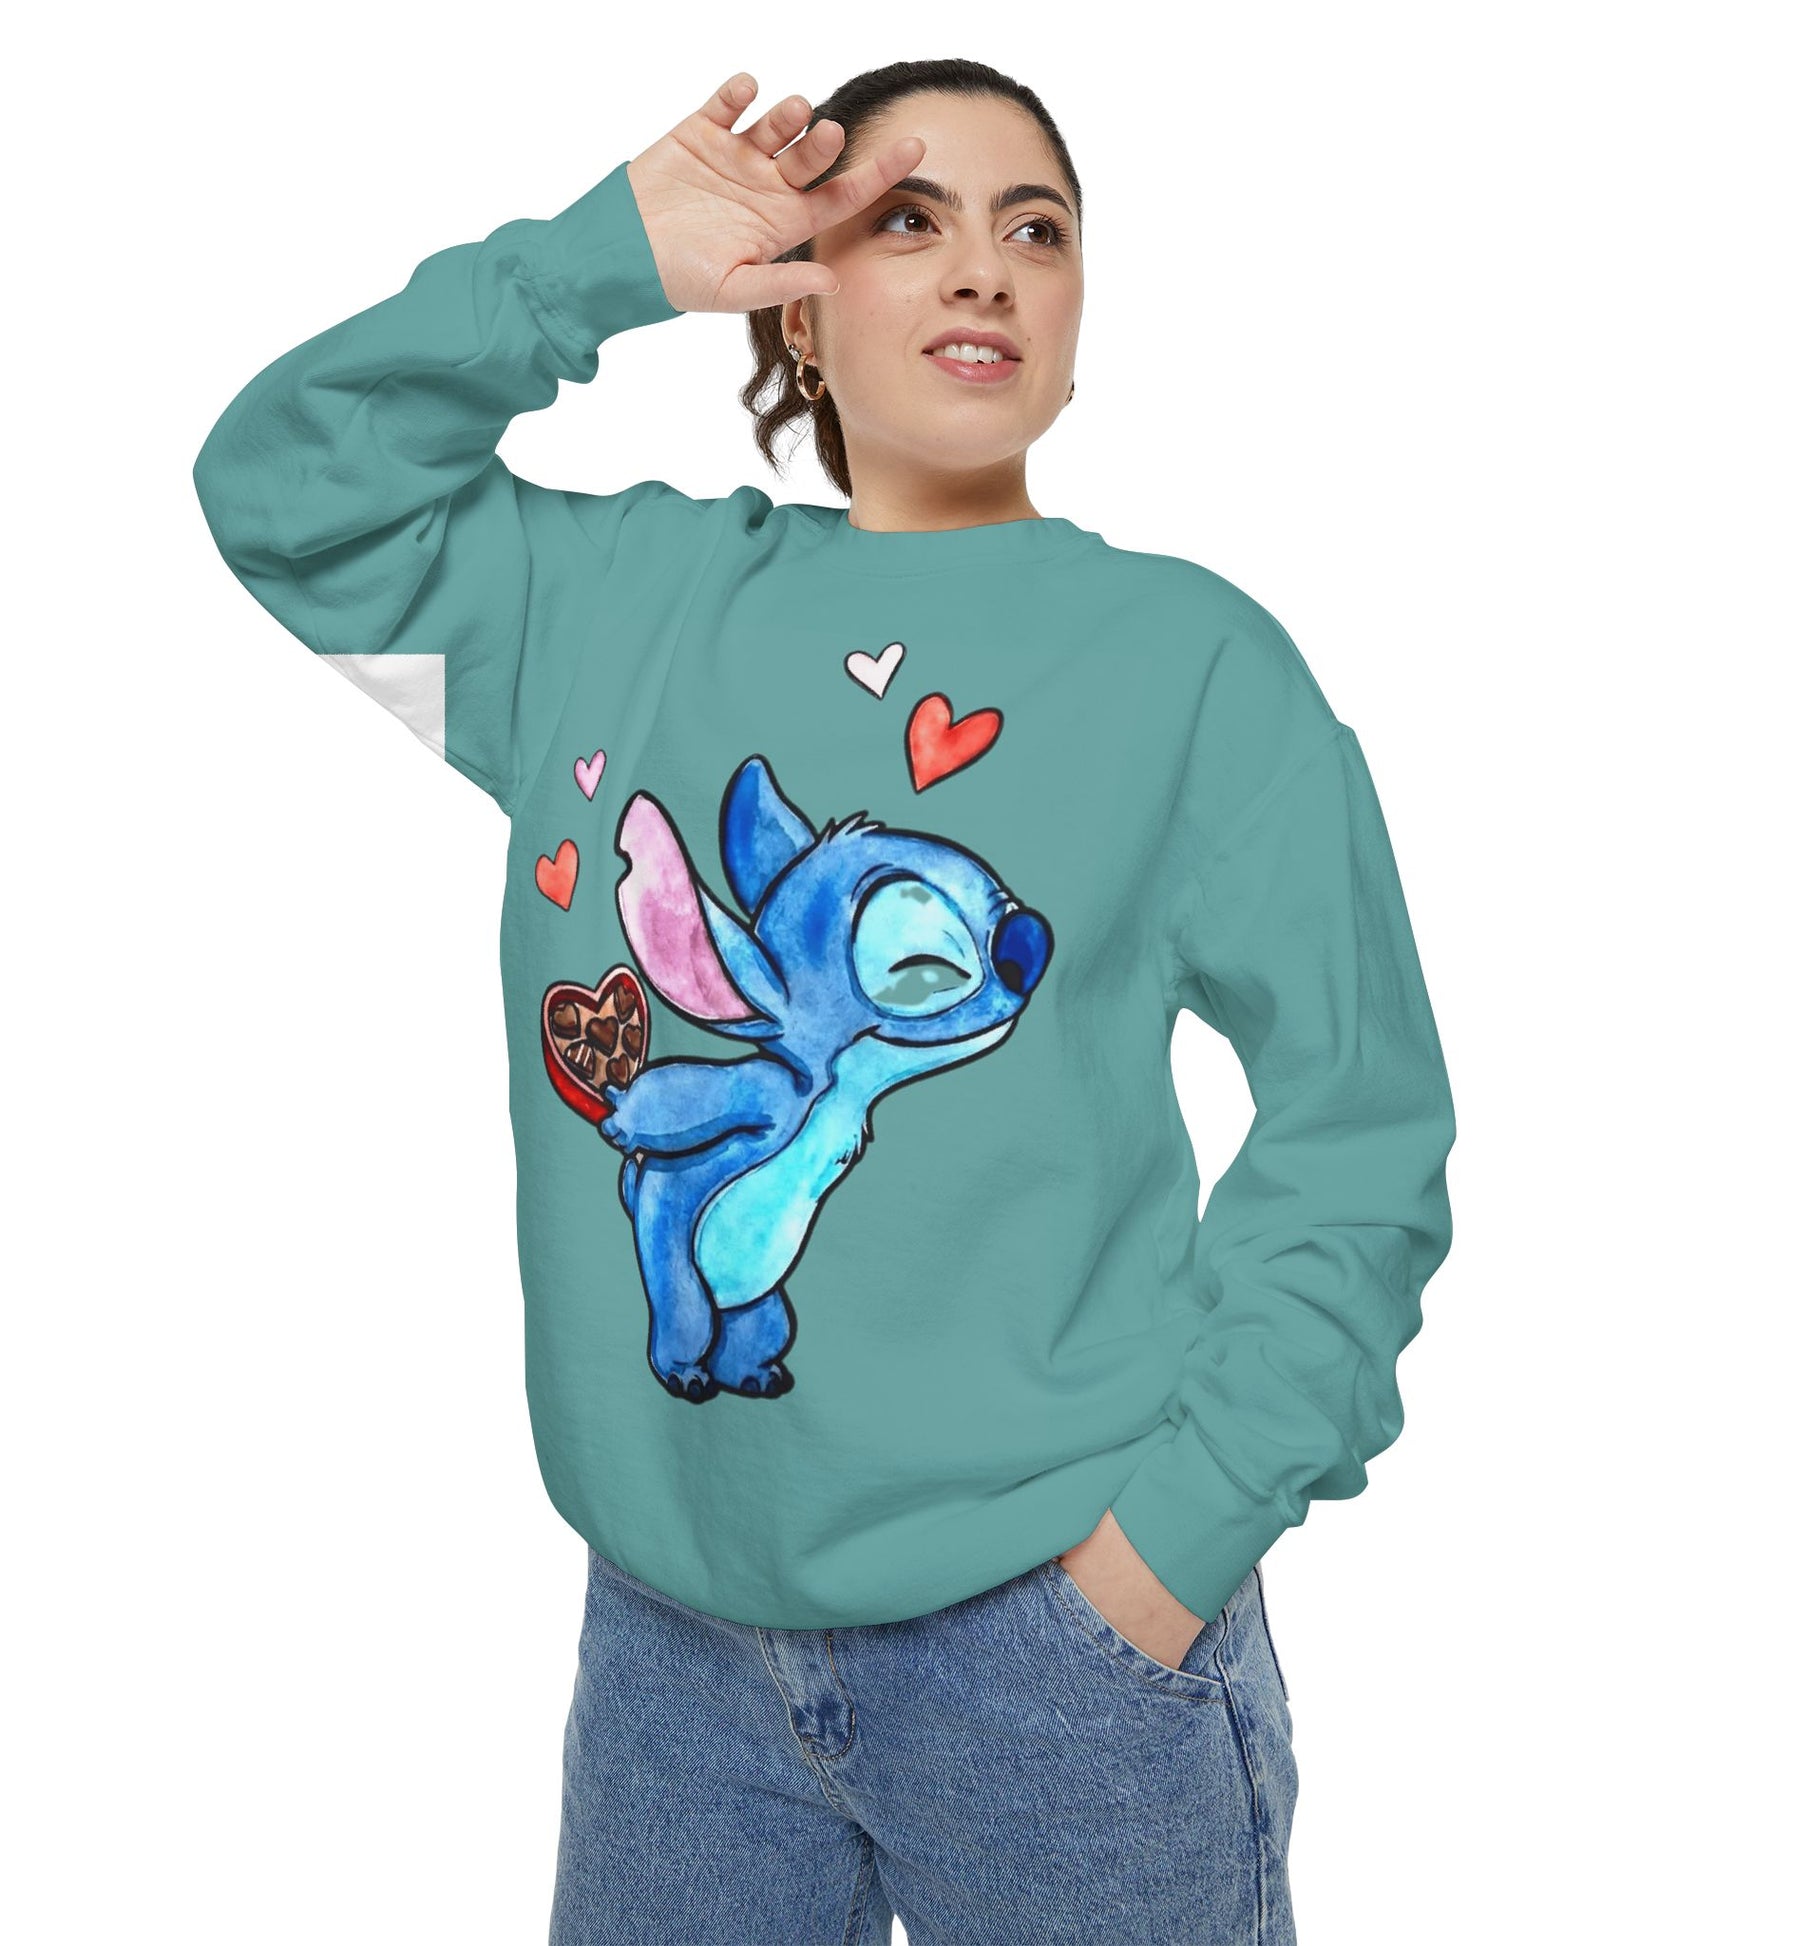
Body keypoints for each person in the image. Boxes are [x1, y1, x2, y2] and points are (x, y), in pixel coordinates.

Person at [191, 58, 1456, 1946]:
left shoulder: (1195, 665)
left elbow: (1359, 1124)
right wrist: (596, 263)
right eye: (907, 220)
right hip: (669, 1651)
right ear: (794, 299)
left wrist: (1172, 1546)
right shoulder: (606, 607)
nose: (984, 269)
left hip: (1059, 1647)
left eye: (1037, 230)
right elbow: (283, 492)